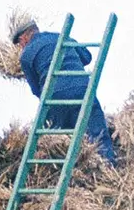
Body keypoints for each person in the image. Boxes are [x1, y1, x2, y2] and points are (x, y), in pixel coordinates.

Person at [10, 17, 117, 165]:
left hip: (55, 98)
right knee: (97, 132)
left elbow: (36, 90)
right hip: (82, 90)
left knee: (63, 142)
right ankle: (108, 169)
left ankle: (78, 176)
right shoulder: (61, 37)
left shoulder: (26, 56)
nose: (20, 47)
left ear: (24, 37)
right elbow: (87, 57)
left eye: (19, 43)